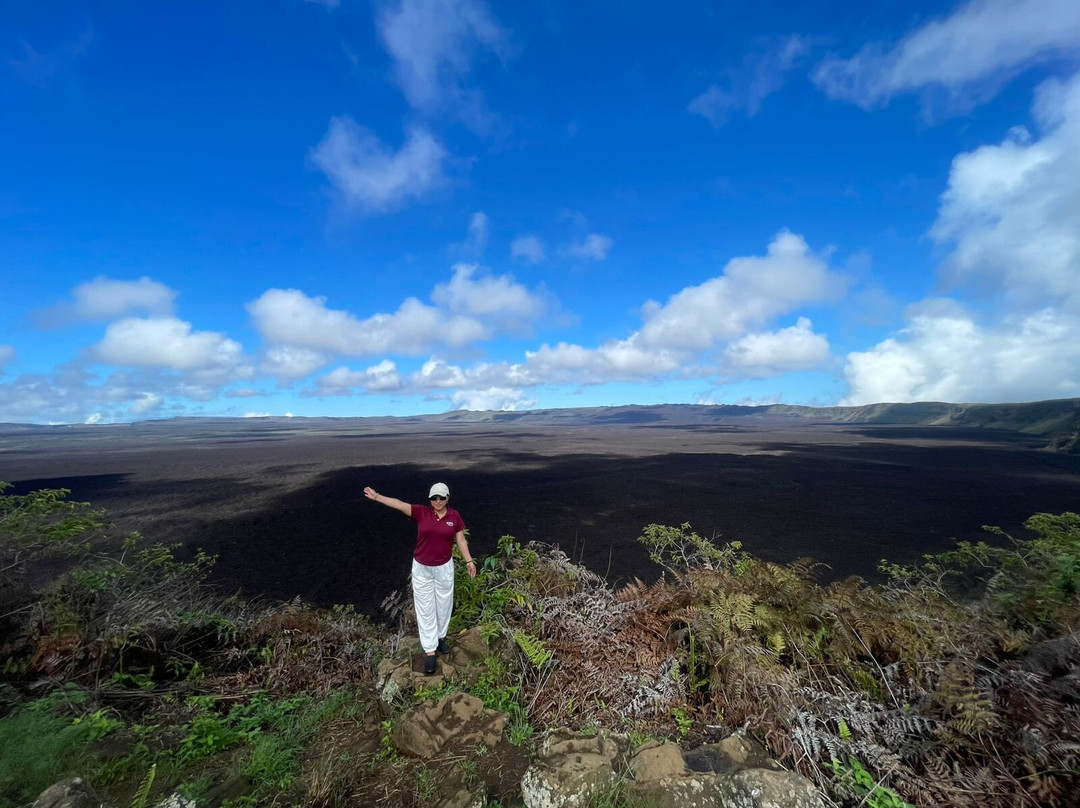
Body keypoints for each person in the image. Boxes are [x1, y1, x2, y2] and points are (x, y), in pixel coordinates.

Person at [363, 481, 477, 674]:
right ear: (429, 499)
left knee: (444, 605)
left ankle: (440, 638)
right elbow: (399, 504)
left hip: (443, 568)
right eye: (434, 498)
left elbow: (460, 540)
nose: (438, 501)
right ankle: (430, 651)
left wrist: (469, 561)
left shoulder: (454, 516)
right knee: (425, 607)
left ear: (448, 498)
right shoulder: (421, 512)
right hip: (422, 569)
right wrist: (377, 497)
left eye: (442, 497)